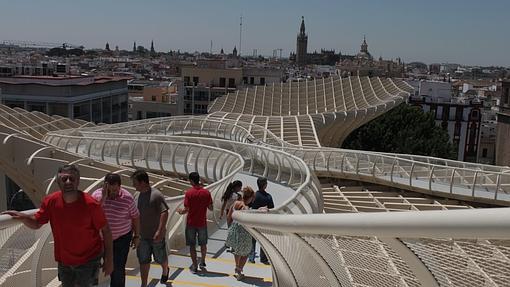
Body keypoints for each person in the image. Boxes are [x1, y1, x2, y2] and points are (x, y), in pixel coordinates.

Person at [2, 164, 113, 287]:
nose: (68, 182)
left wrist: (109, 260)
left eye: (72, 178)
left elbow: (106, 231)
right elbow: (37, 223)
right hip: (64, 262)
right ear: (58, 182)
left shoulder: (91, 204)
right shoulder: (51, 201)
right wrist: (23, 217)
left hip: (88, 260)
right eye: (64, 179)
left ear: (78, 181)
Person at [92, 173, 140, 287]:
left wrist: (137, 236)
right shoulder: (97, 196)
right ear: (105, 186)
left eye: (115, 190)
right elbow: (91, 214)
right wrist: (103, 199)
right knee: (92, 268)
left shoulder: (127, 198)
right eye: (110, 190)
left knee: (117, 270)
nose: (113, 193)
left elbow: (136, 217)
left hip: (121, 239)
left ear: (120, 186)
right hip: (100, 239)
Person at [131, 169, 169, 287]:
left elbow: (164, 212)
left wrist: (159, 230)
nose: (133, 185)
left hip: (156, 236)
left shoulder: (156, 195)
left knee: (160, 258)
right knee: (143, 260)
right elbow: (133, 214)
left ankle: (165, 270)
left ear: (143, 182)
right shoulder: (136, 195)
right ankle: (144, 284)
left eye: (135, 182)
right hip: (142, 236)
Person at [177, 172, 213, 274]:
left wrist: (180, 211)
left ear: (191, 181)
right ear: (199, 179)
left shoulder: (189, 193)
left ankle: (195, 265)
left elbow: (186, 209)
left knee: (192, 245)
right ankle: (203, 261)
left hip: (191, 223)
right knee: (203, 244)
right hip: (202, 222)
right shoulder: (206, 193)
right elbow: (211, 208)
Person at [225, 186, 256, 280]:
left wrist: (230, 228)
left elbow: (228, 216)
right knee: (246, 252)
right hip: (244, 232)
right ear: (250, 197)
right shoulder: (245, 207)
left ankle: (237, 267)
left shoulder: (235, 203)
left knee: (237, 250)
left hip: (234, 230)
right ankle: (239, 270)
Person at [248, 177, 274, 264]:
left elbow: (249, 206)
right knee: (263, 240)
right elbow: (271, 209)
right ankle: (263, 259)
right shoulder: (268, 196)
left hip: (253, 220)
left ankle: (251, 258)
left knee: (252, 240)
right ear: (265, 185)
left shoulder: (253, 196)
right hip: (264, 221)